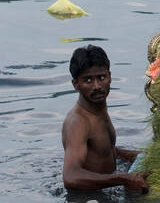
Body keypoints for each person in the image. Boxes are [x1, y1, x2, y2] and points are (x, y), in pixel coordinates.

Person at [62, 45, 148, 191]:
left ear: (110, 76)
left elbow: (103, 149)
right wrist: (124, 179)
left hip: (105, 190)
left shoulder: (98, 109)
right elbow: (70, 177)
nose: (97, 86)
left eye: (101, 78)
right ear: (76, 84)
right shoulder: (78, 122)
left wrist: (143, 155)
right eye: (88, 80)